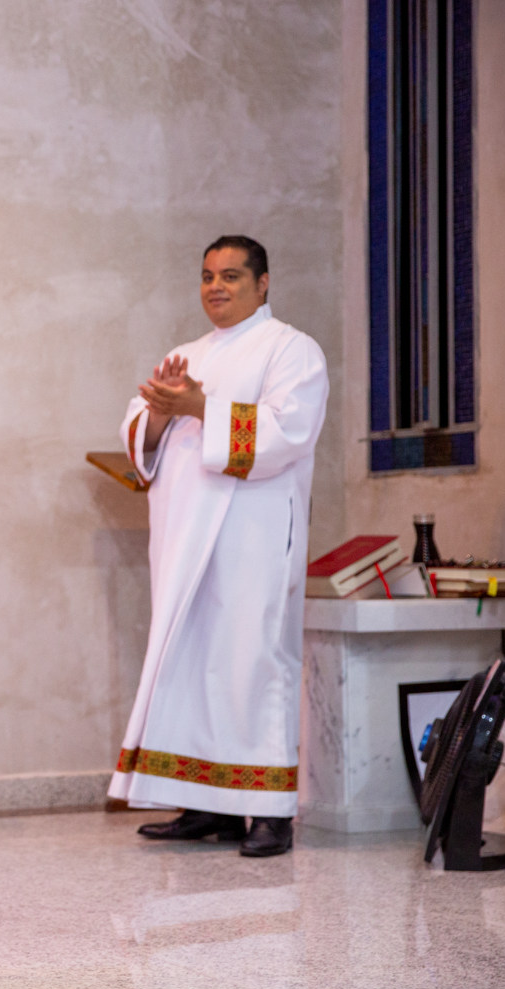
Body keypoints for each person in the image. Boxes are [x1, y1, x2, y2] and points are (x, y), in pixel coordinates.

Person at [108, 235, 328, 858]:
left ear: (263, 283)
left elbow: (289, 433)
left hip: (252, 536)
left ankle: (268, 811)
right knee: (192, 661)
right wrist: (156, 414)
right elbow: (141, 440)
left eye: (231, 276)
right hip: (183, 537)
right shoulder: (185, 353)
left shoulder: (292, 349)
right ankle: (206, 803)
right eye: (207, 275)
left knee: (253, 662)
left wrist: (202, 405)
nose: (216, 287)